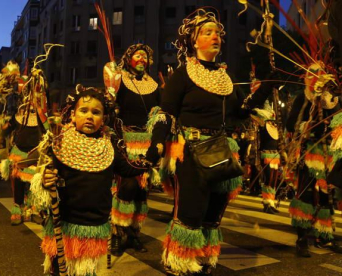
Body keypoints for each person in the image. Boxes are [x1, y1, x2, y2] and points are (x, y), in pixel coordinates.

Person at [145, 8, 274, 275]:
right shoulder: (183, 74)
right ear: (194, 40)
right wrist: (157, 143)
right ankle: (178, 259)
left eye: (217, 33)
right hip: (190, 150)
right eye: (208, 32)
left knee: (214, 212)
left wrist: (266, 86)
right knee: (191, 209)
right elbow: (166, 112)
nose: (216, 37)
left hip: (222, 149)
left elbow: (240, 112)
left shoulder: (225, 77)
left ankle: (203, 255)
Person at [39, 87, 148, 276]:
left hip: (94, 224)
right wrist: (45, 180)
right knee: (59, 270)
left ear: (104, 118)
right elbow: (45, 175)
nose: (90, 116)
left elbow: (128, 169)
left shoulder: (109, 145)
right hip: (65, 221)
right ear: (73, 115)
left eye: (96, 112)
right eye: (84, 111)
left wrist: (152, 155)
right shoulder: (59, 141)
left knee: (86, 271)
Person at [105, 44, 160, 255]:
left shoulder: (154, 85)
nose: (142, 59)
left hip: (146, 143)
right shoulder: (119, 80)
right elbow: (110, 108)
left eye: (145, 56)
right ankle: (118, 232)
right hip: (124, 141)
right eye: (138, 55)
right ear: (129, 59)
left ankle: (135, 233)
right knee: (125, 186)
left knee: (141, 191)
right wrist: (109, 98)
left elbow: (159, 111)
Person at [286, 62, 342, 257]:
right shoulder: (304, 97)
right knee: (306, 194)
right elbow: (290, 123)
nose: (318, 77)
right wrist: (306, 126)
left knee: (327, 196)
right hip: (308, 153)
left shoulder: (333, 99)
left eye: (322, 73)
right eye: (314, 73)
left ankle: (324, 236)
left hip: (327, 154)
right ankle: (301, 238)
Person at [0, 104, 46, 225]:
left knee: (34, 183)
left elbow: (48, 130)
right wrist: (3, 125)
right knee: (18, 183)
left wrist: (42, 114)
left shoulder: (40, 116)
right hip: (19, 153)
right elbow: (5, 131)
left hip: (35, 154)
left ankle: (33, 211)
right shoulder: (18, 117)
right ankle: (17, 211)